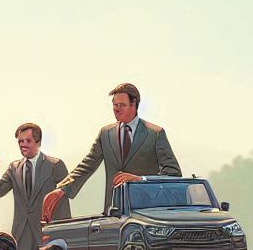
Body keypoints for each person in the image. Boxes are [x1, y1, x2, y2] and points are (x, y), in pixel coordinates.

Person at [43, 83, 181, 222]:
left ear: (134, 105)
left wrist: (141, 180)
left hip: (147, 213)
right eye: (114, 105)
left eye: (121, 105)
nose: (116, 109)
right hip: (113, 213)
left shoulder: (155, 134)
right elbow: (88, 164)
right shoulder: (106, 133)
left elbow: (173, 173)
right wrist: (63, 189)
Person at [0, 124, 70, 250]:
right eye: (20, 141)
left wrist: (59, 232)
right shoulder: (14, 168)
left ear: (38, 142)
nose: (23, 145)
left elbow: (63, 202)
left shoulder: (54, 165)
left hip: (45, 233)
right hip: (21, 235)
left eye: (27, 141)